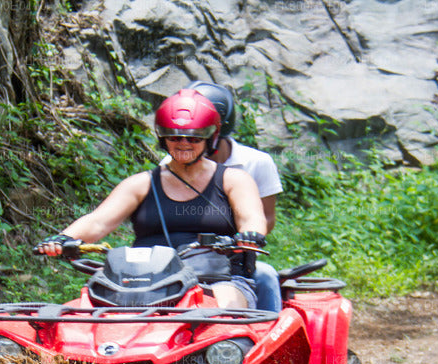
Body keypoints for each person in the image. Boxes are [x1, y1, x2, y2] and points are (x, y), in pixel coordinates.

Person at [35, 90, 267, 309]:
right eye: (175, 136)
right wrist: (63, 238)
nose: (184, 143)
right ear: (163, 137)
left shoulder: (233, 179)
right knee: (84, 310)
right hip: (143, 281)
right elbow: (98, 221)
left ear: (210, 138)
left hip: (218, 280)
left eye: (193, 138)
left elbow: (252, 218)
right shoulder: (141, 183)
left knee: (227, 311)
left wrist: (250, 235)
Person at [180, 81, 284, 312]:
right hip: (182, 256)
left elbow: (266, 217)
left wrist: (243, 240)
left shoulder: (256, 162)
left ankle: (269, 338)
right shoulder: (171, 166)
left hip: (234, 258)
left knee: (266, 276)